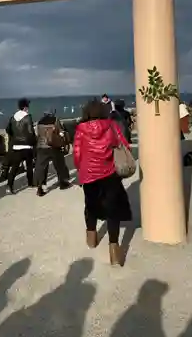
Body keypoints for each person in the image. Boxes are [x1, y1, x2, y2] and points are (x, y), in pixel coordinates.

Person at [73, 99, 132, 266]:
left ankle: (91, 239)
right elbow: (124, 144)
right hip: (109, 174)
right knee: (113, 211)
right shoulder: (111, 125)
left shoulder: (80, 129)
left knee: (90, 206)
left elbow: (77, 154)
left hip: (89, 176)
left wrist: (81, 168)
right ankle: (114, 250)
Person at [34, 110, 72, 197]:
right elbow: (61, 132)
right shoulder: (55, 120)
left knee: (41, 167)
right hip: (54, 146)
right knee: (60, 164)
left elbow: (38, 134)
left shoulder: (39, 122)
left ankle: (39, 188)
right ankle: (63, 183)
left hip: (41, 147)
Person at [5, 98, 36, 194]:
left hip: (16, 146)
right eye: (28, 106)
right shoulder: (28, 117)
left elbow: (8, 130)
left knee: (14, 167)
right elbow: (31, 132)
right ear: (25, 107)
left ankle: (9, 187)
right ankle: (30, 183)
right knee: (29, 166)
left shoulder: (13, 117)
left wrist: (15, 137)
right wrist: (33, 142)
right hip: (27, 146)